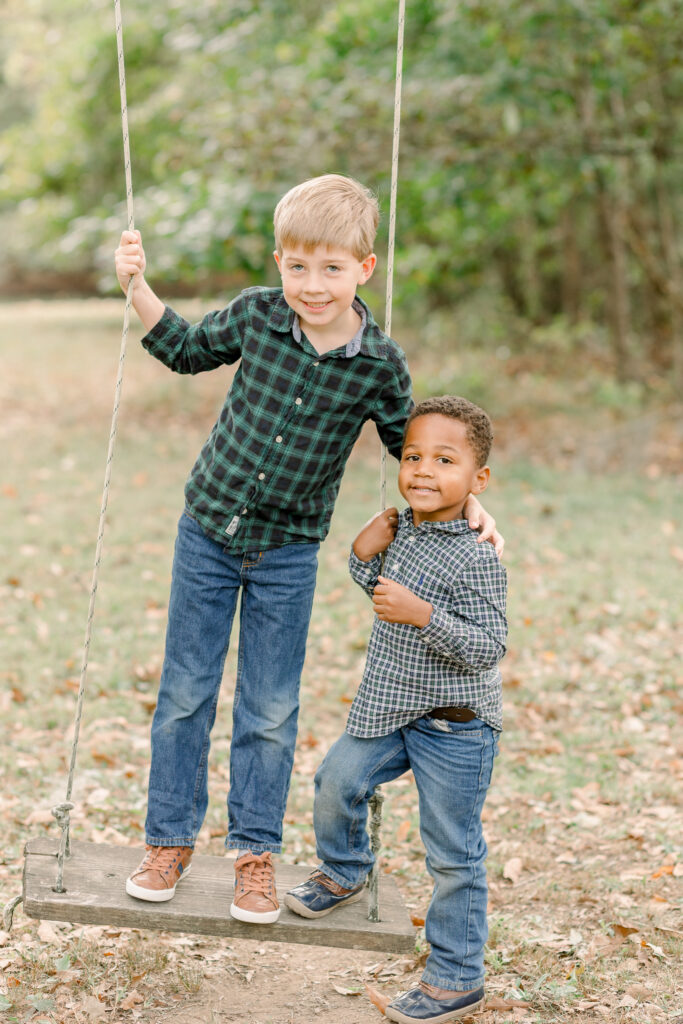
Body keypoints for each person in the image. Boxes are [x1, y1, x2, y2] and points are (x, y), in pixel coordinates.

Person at [113, 175, 503, 925]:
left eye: (330, 269)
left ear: (363, 269)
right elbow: (187, 349)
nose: (311, 285)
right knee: (186, 692)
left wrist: (471, 498)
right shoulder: (258, 316)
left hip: (287, 551)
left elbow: (410, 452)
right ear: (278, 262)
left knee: (267, 706)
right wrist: (137, 286)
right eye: (297, 267)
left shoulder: (379, 364)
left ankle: (253, 854)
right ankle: (168, 840)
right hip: (208, 532)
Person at [285, 395, 507, 1023]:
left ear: (478, 479)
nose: (423, 471)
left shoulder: (477, 553)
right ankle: (345, 868)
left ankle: (457, 977)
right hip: (391, 709)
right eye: (412, 456)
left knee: (452, 852)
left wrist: (424, 614)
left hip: (456, 728)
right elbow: (379, 588)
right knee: (337, 780)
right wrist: (362, 550)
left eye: (444, 459)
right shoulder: (404, 526)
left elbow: (489, 646)